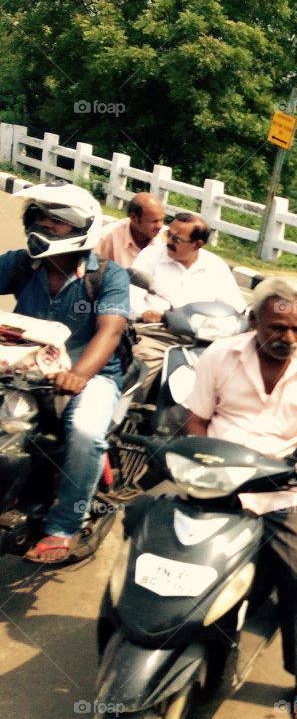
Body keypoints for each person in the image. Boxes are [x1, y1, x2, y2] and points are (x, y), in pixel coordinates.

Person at [183, 277, 297, 719]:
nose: (288, 339)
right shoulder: (221, 354)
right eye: (277, 328)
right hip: (219, 481)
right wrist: (201, 469)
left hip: (284, 487)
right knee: (178, 555)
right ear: (254, 320)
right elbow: (196, 420)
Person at [0, 181, 130, 564]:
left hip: (90, 374)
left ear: (81, 228)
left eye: (57, 221)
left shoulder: (107, 276)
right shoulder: (22, 263)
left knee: (87, 434)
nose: (46, 225)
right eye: (41, 216)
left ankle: (62, 526)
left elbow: (110, 331)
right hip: (22, 370)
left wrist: (80, 374)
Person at [130, 212, 247, 386]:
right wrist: (144, 313)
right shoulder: (150, 256)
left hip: (204, 341)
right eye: (169, 234)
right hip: (157, 334)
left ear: (197, 244)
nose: (169, 242)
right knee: (140, 369)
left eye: (177, 240)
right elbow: (131, 296)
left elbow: (237, 307)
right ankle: (131, 409)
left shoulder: (215, 266)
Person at [96, 193, 166, 268]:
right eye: (154, 221)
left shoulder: (165, 238)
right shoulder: (107, 237)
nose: (160, 226)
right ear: (133, 218)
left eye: (162, 220)